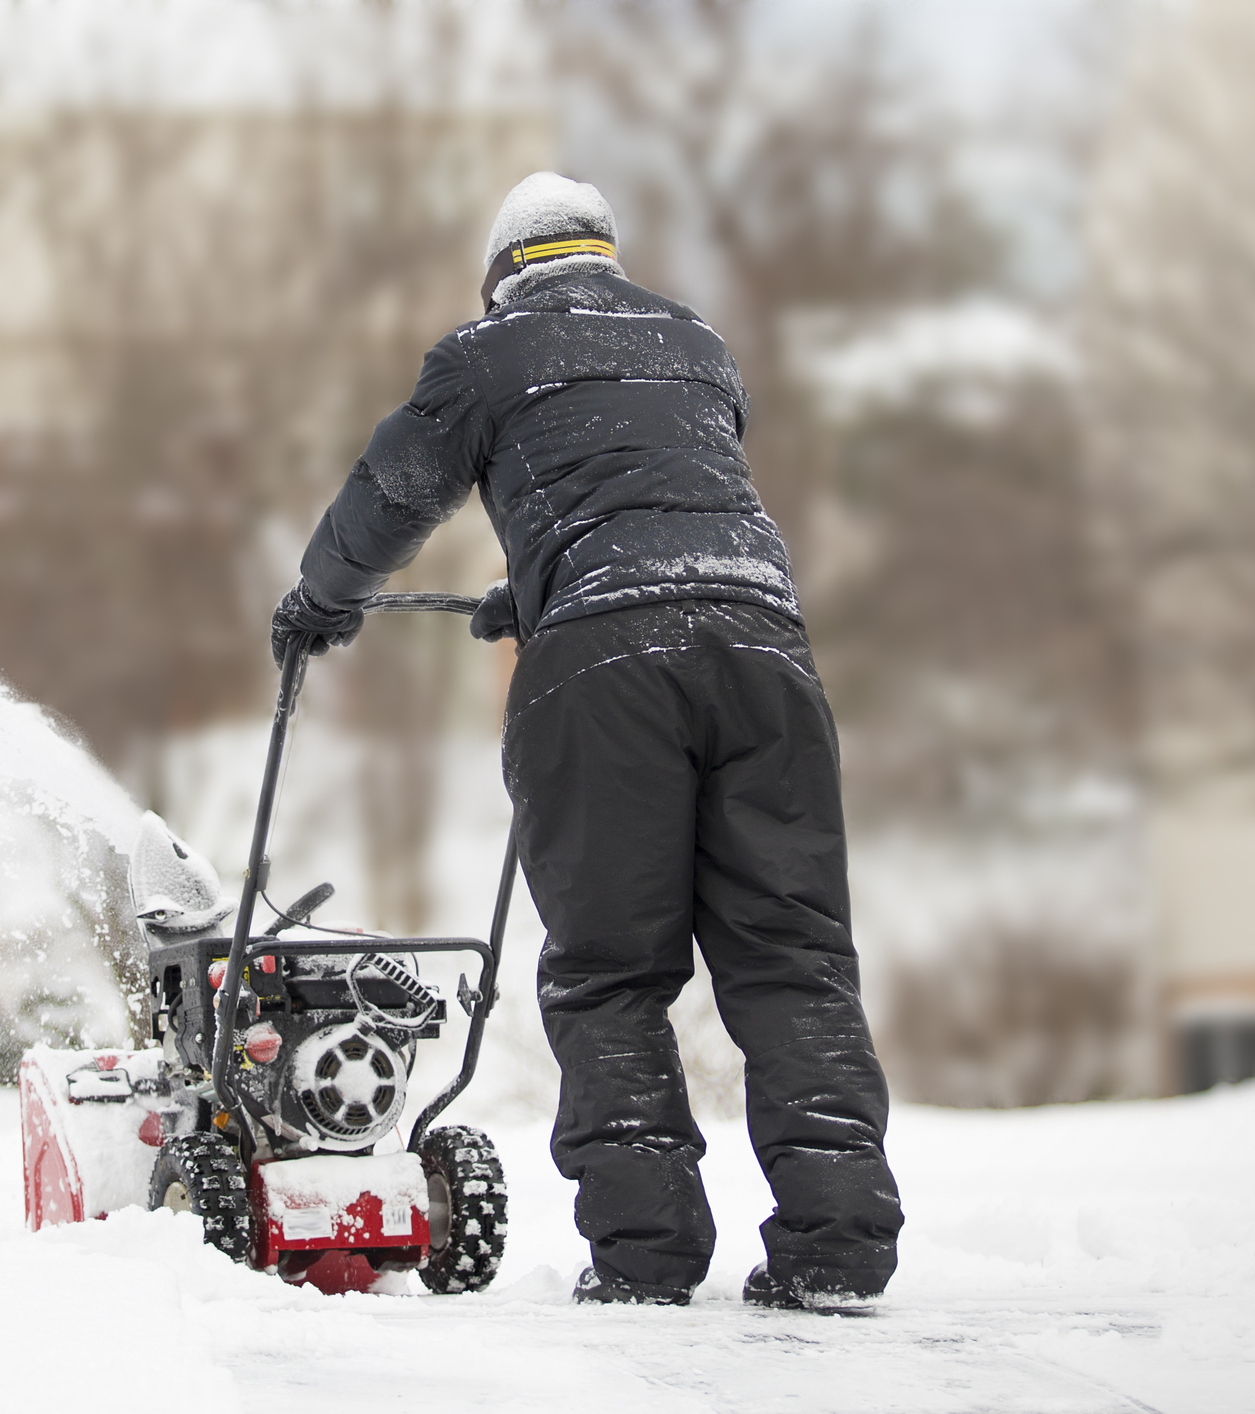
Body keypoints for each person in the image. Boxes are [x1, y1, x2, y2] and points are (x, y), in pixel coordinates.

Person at [270, 172, 903, 1309]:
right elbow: (656, 486)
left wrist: (322, 598)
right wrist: (542, 579)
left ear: (505, 274)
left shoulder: (486, 353)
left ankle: (647, 1257)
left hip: (607, 676)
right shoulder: (699, 344)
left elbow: (393, 491)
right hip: (766, 650)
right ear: (602, 255)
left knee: (611, 972)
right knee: (792, 957)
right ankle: (839, 1245)